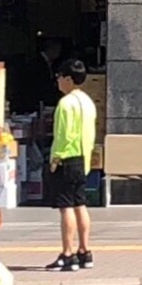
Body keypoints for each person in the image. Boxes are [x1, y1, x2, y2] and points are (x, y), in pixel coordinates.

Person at [44, 61, 98, 272]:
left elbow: (63, 136)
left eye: (59, 76)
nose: (57, 80)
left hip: (66, 159)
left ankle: (68, 254)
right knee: (80, 204)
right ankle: (85, 251)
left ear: (68, 79)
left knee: (65, 207)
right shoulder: (88, 102)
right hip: (83, 158)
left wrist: (55, 159)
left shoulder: (66, 104)